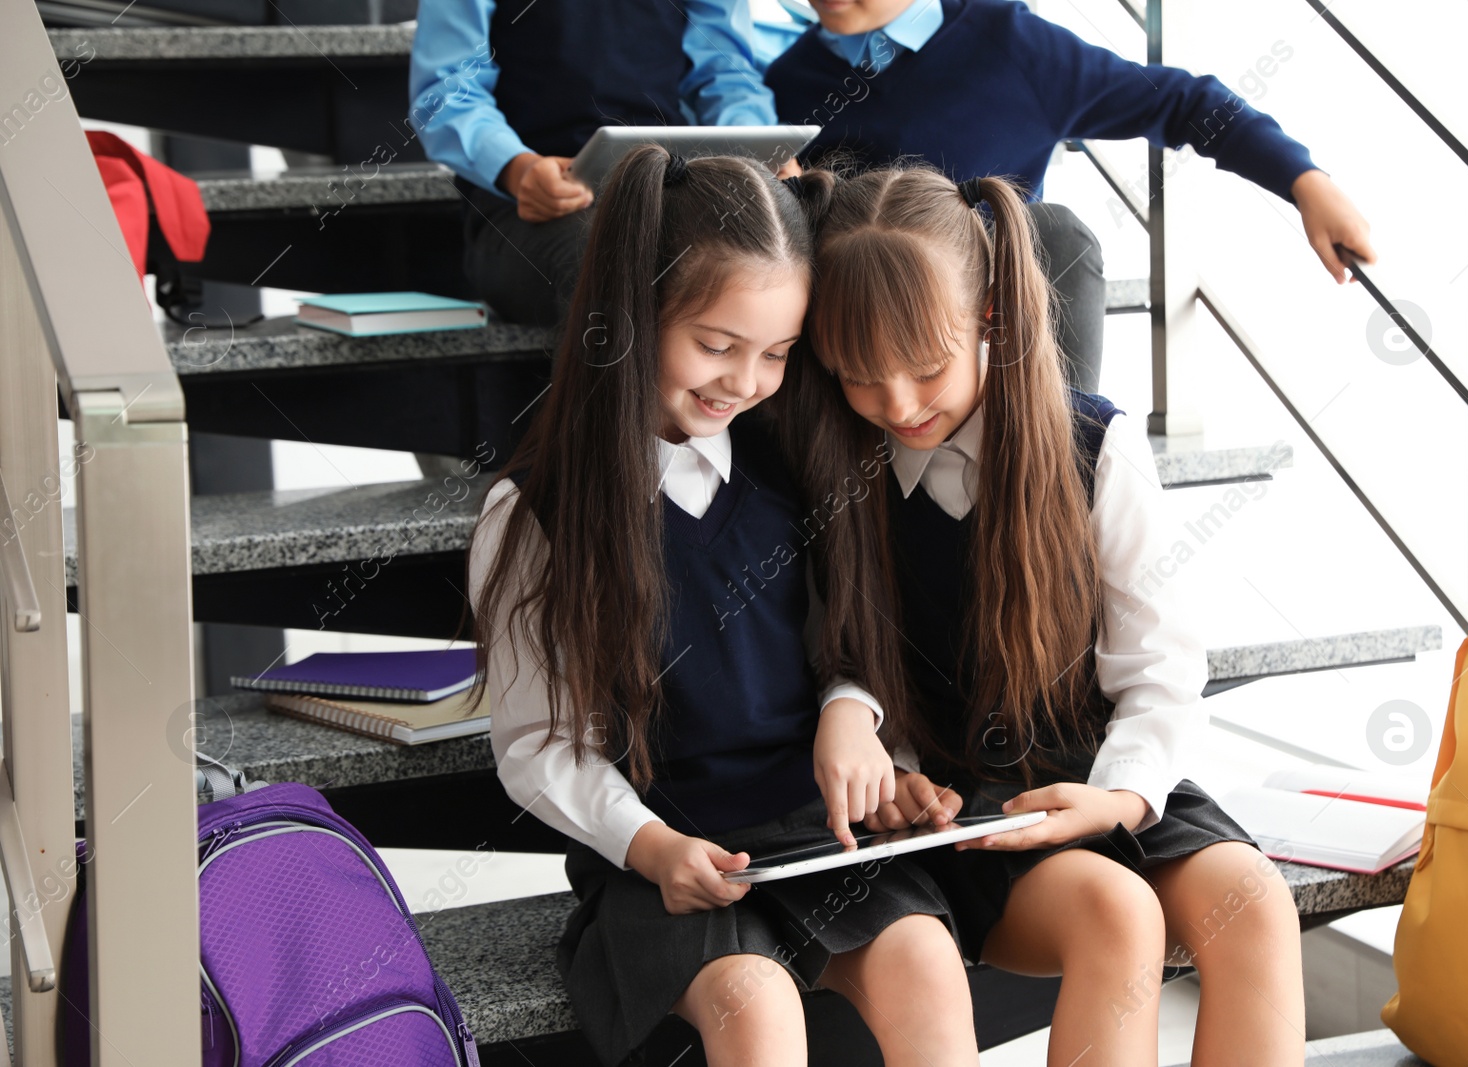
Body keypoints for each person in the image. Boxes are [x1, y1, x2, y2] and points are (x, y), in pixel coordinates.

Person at [773, 163, 1305, 1066]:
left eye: (926, 368)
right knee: (1115, 911)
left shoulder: (1095, 444)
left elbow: (1161, 669)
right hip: (963, 812)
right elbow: (842, 657)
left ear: (990, 317)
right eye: (861, 378)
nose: (898, 405)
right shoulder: (838, 468)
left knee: (1254, 899)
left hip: (1099, 772)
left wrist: (1119, 794)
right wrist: (892, 766)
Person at [463, 146, 978, 1067]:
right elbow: (538, 743)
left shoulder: (792, 465)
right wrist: (651, 845)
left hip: (809, 833)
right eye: (716, 345)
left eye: (777, 354)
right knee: (754, 1002)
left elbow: (848, 643)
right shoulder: (538, 512)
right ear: (635, 316)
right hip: (665, 856)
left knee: (927, 962)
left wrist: (853, 719)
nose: (744, 381)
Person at [762, 0, 1376, 394]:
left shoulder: (1011, 43)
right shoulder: (787, 81)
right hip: (866, 340)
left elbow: (1183, 103)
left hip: (996, 330)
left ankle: (1068, 468)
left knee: (1056, 233)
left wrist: (1303, 183)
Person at [409, 0, 798, 328]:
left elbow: (725, 72)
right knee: (610, 264)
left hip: (668, 187)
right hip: (523, 209)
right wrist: (518, 168)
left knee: (780, 244)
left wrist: (760, 150)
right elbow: (448, 90)